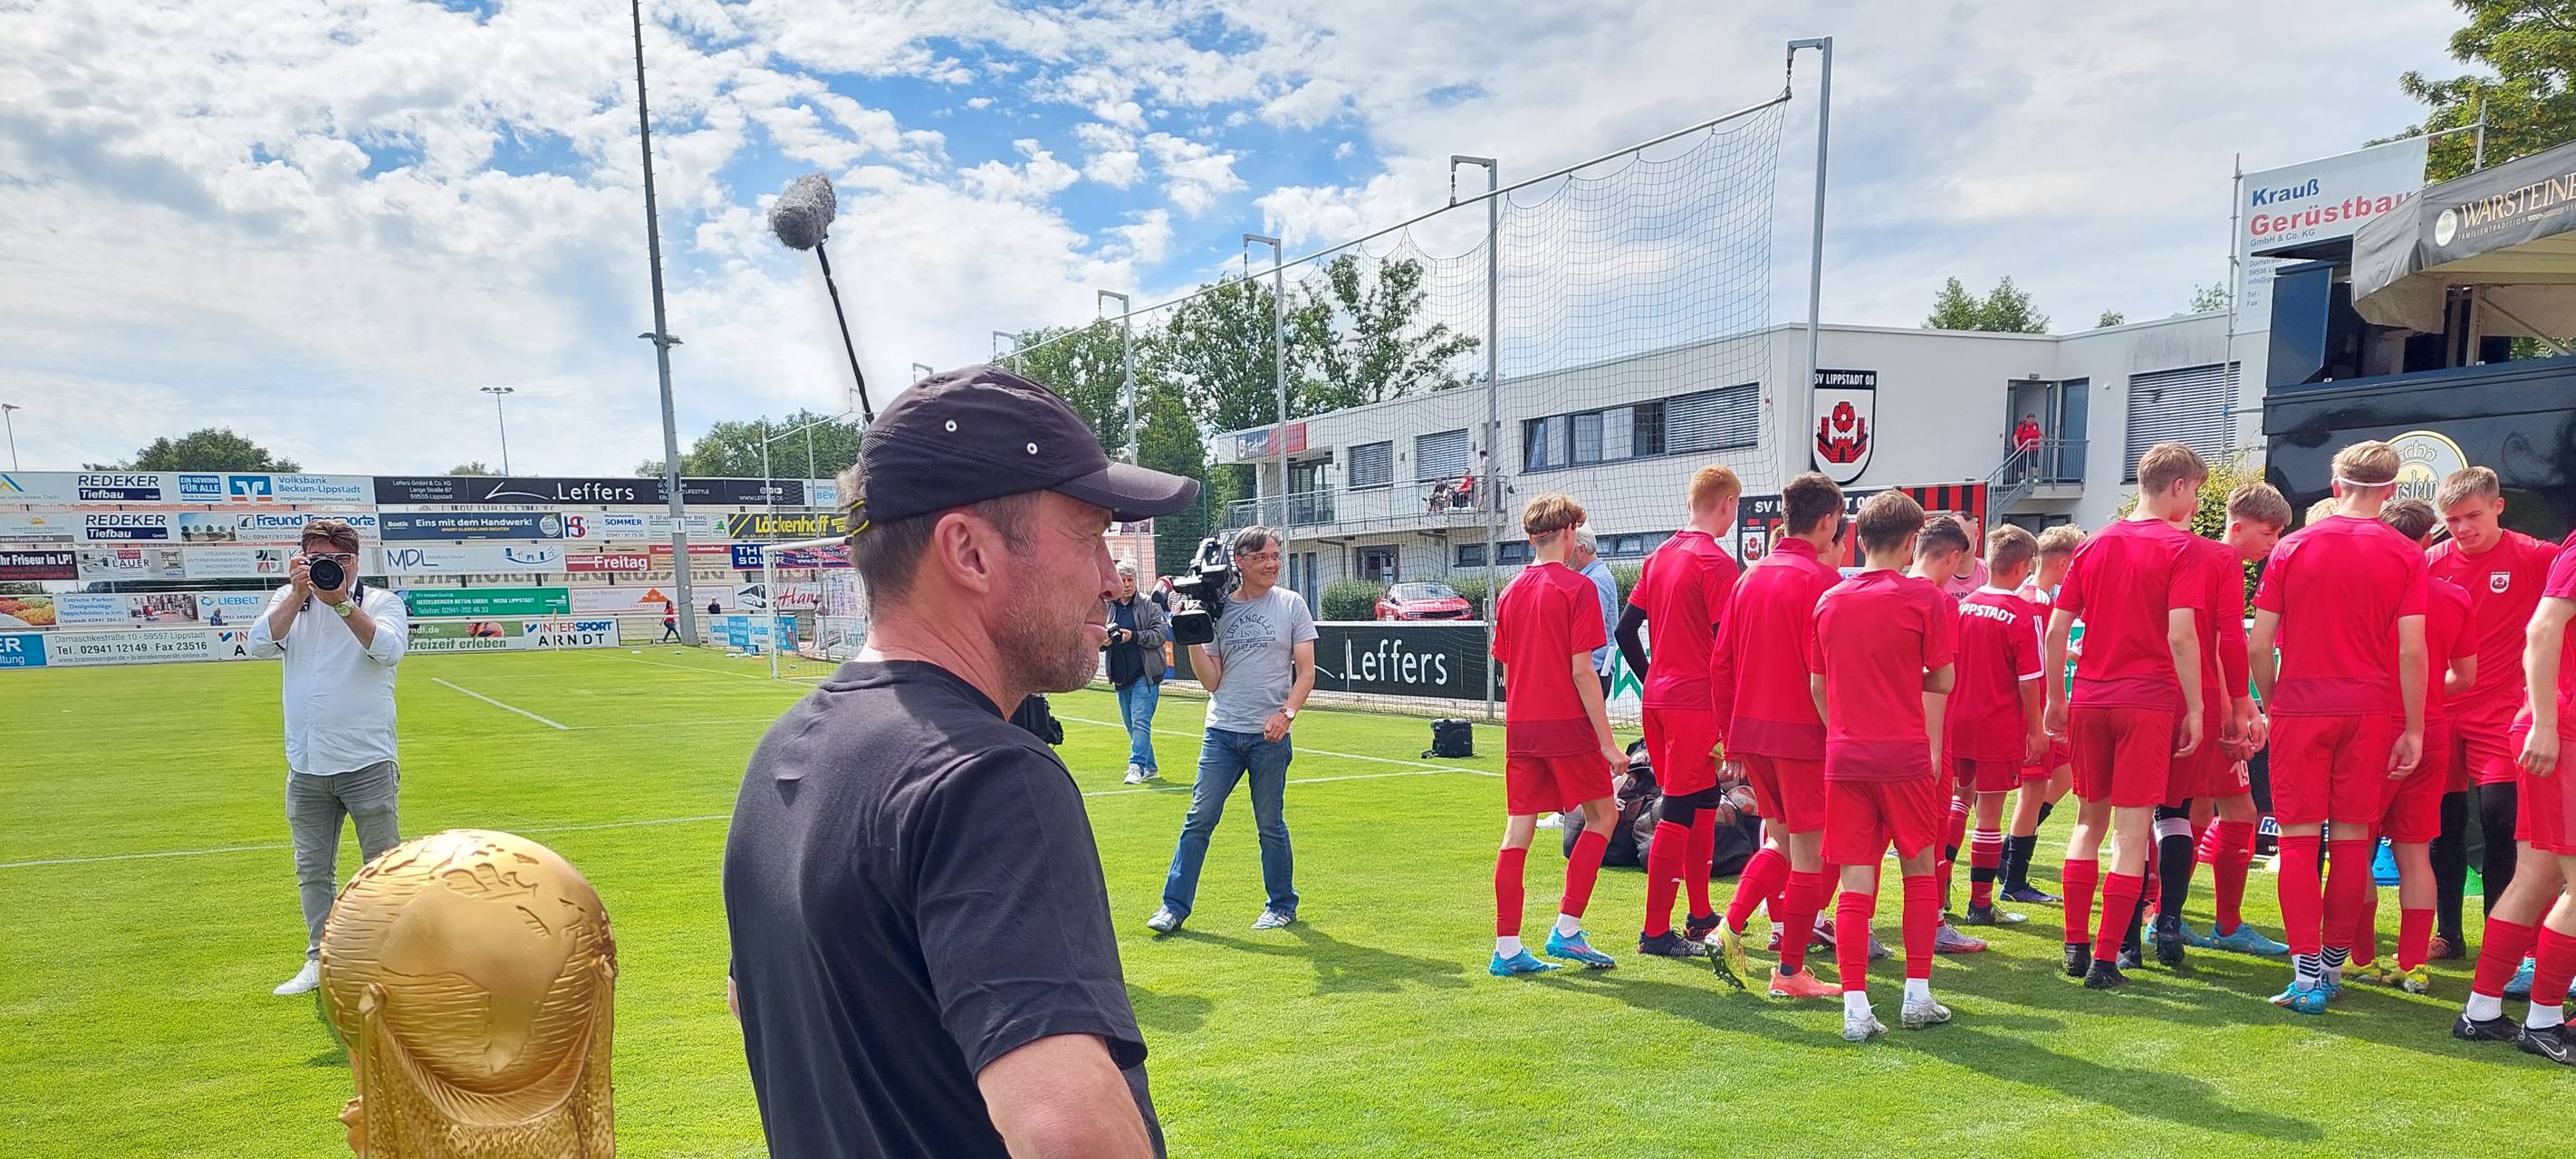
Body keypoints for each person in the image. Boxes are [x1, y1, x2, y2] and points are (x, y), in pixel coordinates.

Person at [723, 368, 1192, 1157]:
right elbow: (1068, 1133)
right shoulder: (987, 779)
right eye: (1089, 534)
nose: (1112, 578)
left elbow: (753, 1003)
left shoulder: (784, 750)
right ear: (969, 551)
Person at [2249, 439, 2429, 1015]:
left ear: (2335, 487)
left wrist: (2276, 701)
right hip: (2371, 710)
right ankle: (2330, 967)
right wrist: (2415, 727)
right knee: (2353, 843)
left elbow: (2259, 643)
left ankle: (2307, 977)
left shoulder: (2292, 548)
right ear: (2392, 491)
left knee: (2300, 842)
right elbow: (2413, 653)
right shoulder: (2407, 555)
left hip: (2303, 706)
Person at [2043, 443, 2206, 991]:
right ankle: (2106, 960)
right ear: (2179, 486)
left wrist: (2055, 698)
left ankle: (2074, 943)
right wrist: (2199, 706)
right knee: (2132, 834)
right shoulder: (2180, 548)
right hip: (2147, 700)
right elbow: (2182, 634)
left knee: (2089, 823)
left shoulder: (2092, 545)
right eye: (2195, 491)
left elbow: (2055, 629)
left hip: (2090, 696)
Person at [1810, 491, 1957, 1039]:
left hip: (1846, 756)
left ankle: (1854, 1009)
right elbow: (1942, 680)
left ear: (1856, 538)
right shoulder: (1924, 600)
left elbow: (1818, 686)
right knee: (1919, 873)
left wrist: (1845, 726)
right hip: (1904, 754)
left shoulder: (1830, 600)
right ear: (1912, 540)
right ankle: (1916, 996)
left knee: (1854, 884)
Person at [246, 518, 410, 998]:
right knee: (312, 868)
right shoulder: (287, 599)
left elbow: (389, 651)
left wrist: (340, 603)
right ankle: (320, 958)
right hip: (307, 763)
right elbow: (257, 646)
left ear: (357, 561)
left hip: (367, 760)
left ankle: (386, 963)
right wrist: (299, 595)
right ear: (302, 559)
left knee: (382, 868)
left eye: (341, 561)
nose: (332, 569)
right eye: (322, 560)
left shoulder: (380, 602)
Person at [1709, 472, 1850, 999]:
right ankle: (1790, 972)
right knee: (1809, 852)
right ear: (1830, 520)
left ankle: (1730, 927)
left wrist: (1730, 738)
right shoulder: (1824, 584)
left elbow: (1721, 664)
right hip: (1804, 736)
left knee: (1785, 844)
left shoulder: (1748, 578)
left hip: (1754, 734)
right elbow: (1833, 674)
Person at [1487, 493, 1630, 975]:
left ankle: (1506, 949)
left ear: (1531, 537)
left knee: (1518, 831)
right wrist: (1608, 743)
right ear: (1569, 534)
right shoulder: (1578, 589)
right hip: (1566, 726)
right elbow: (1583, 673)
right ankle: (1566, 930)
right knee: (1603, 817)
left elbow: (1508, 666)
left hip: (1522, 728)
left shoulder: (1510, 591)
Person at [1147, 525, 1317, 934]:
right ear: (1239, 562)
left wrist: (1287, 714)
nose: (1272, 564)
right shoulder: (1219, 608)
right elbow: (1212, 682)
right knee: (1199, 818)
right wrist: (1192, 633)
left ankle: (1281, 904)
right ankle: (1173, 907)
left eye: (1275, 556)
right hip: (1222, 733)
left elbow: (1307, 672)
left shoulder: (1292, 605)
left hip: (1270, 737)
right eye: (1261, 558)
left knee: (1269, 823)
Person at [2342, 499, 2476, 992]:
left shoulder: (2365, 594)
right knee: (2415, 852)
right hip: (2431, 730)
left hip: (2373, 729)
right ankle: (2414, 963)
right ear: (2427, 541)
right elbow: (2465, 676)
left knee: (2355, 847)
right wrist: (2423, 697)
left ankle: (2359, 957)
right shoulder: (2455, 597)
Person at [2454, 526, 2576, 1063]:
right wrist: (2546, 725)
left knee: (2537, 877)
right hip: (2563, 733)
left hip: (2555, 729)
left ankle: (2481, 1012)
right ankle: (2544, 1020)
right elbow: (2542, 629)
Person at [2430, 466, 2561, 965]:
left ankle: (2498, 937)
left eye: (2472, 516)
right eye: (2453, 520)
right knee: (2443, 823)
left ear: (2498, 507)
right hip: (2443, 705)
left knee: (2500, 818)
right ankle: (2448, 934)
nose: (2463, 528)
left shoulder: (2536, 556)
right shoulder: (2430, 562)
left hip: (2503, 710)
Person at [1615, 465, 1743, 965]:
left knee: (1705, 801)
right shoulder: (1715, 562)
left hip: (1662, 700)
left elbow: (1626, 632)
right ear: (1727, 504)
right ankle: (1655, 932)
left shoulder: (1659, 555)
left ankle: (1700, 912)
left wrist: (1655, 679)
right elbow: (1725, 649)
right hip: (1695, 703)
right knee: (1682, 808)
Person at [2165, 484, 2295, 960]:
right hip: (2210, 708)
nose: (2275, 542)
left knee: (2190, 810)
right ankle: (2221, 923)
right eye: (2269, 531)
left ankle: (2165, 913)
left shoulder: (2203, 560)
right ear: (2236, 527)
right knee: (2237, 811)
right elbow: (2216, 648)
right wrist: (2241, 711)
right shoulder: (2215, 562)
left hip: (2196, 703)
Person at [1949, 526, 2047, 931]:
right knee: (1989, 816)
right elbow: (2029, 680)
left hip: (1957, 720)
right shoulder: (2024, 614)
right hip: (1996, 724)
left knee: (1956, 803)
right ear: (2024, 566)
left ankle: (1939, 894)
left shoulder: (1962, 605)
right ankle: (1981, 903)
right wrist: (2036, 730)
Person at [1908, 514, 1989, 956]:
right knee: (1929, 839)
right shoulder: (1938, 603)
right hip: (1923, 740)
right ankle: (1934, 926)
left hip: (1866, 739)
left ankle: (1822, 922)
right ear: (1955, 556)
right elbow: (1938, 683)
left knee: (1863, 845)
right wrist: (1936, 748)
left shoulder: (1868, 592)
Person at [2000, 523, 2082, 903]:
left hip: (2045, 709)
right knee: (2031, 794)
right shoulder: (2035, 600)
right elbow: (2026, 660)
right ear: (2065, 563)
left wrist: (2065, 655)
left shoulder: (2040, 598)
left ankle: (2008, 858)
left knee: (2063, 779)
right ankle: (2013, 878)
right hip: (2036, 713)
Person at [1108, 562, 1171, 785]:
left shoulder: (1149, 604)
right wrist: (1104, 641)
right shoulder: (1109, 606)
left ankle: (1136, 766)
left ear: (1135, 581)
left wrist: (1132, 636)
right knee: (1131, 725)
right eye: (1122, 580)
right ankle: (1150, 766)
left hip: (1145, 674)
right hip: (1120, 675)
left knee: (1141, 721)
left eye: (1130, 580)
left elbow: (1160, 635)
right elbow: (1098, 636)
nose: (1126, 585)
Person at [1572, 527, 1620, 698]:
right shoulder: (1596, 577)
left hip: (1594, 669)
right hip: (1594, 668)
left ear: (1581, 549)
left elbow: (1588, 630)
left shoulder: (1595, 580)